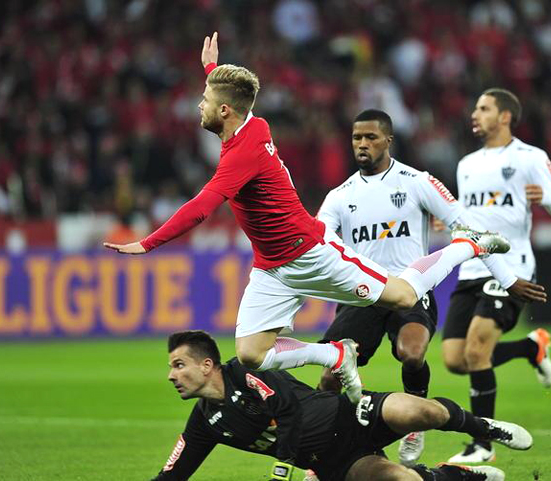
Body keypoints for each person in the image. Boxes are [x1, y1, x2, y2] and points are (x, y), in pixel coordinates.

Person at [104, 33, 521, 405]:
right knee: (252, 354)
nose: (199, 105)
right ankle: (335, 354)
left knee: (404, 298)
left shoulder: (243, 154)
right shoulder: (253, 124)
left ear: (225, 110)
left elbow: (200, 207)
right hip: (271, 268)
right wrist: (212, 70)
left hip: (312, 253)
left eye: (206, 101)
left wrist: (148, 242)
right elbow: (230, 99)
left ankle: (470, 244)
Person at [309, 109, 546, 472]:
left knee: (412, 352)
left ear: (388, 140)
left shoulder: (418, 181)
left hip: (409, 289)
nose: (362, 144)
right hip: (364, 294)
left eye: (370, 137)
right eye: (357, 138)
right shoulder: (340, 196)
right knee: (330, 375)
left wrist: (509, 279)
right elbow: (317, 241)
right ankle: (318, 455)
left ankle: (414, 426)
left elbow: (469, 233)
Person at [150, 330, 534, 481]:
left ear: (206, 365)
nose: (171, 375)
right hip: (333, 462)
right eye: (171, 368)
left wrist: (282, 467)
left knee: (421, 412)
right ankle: (459, 476)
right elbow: (172, 475)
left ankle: (485, 428)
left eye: (178, 365)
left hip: (349, 414)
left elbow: (289, 412)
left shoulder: (245, 370)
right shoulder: (205, 423)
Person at [441, 88, 551, 463]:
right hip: (471, 266)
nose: (474, 113)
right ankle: (530, 348)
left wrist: (544, 197)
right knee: (455, 358)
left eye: (483, 108)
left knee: (477, 348)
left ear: (504, 117)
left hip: (512, 265)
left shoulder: (530, 157)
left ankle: (482, 445)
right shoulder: (466, 164)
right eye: (475, 107)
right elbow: (467, 218)